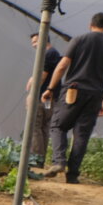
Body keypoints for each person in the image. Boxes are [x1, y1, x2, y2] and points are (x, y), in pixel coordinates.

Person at [41, 12, 103, 184]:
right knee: (82, 135)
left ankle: (59, 161)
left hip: (73, 90)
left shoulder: (79, 40)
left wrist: (50, 88)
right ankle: (73, 175)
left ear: (90, 24)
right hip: (96, 95)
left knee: (57, 125)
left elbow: (62, 65)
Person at [26, 33, 62, 168]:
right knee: (43, 126)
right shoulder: (53, 54)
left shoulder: (49, 54)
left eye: (35, 42)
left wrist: (32, 94)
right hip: (49, 98)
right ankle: (39, 158)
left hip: (42, 96)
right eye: (32, 43)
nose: (34, 45)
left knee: (35, 125)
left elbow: (42, 75)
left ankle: (35, 159)